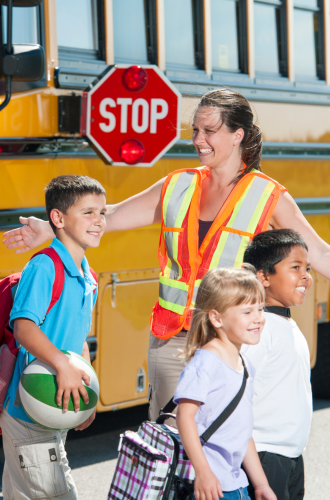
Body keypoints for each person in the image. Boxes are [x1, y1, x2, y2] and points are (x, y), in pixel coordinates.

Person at [3, 88, 330, 422]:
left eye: (209, 131)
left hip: (230, 342)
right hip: (172, 342)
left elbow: (317, 251)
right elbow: (111, 215)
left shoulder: (268, 195)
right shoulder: (177, 185)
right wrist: (51, 228)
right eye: (196, 131)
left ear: (237, 136)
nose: (198, 139)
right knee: (172, 443)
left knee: (220, 443)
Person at [1, 175, 106, 500]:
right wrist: (61, 366)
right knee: (58, 494)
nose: (99, 221)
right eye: (87, 213)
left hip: (54, 409)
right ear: (57, 219)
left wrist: (89, 394)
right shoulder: (46, 266)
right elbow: (24, 327)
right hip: (28, 407)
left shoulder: (88, 275)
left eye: (102, 213)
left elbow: (80, 343)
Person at [174, 267, 276, 500]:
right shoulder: (206, 362)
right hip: (210, 487)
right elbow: (184, 416)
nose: (258, 318)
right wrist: (203, 472)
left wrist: (260, 484)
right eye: (247, 311)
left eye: (260, 308)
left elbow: (242, 430)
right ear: (216, 318)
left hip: (236, 485)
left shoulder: (245, 363)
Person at [241, 229, 313, 500]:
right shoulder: (260, 329)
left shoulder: (284, 322)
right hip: (264, 456)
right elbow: (237, 398)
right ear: (263, 277)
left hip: (291, 455)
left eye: (307, 268)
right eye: (295, 267)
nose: (305, 276)